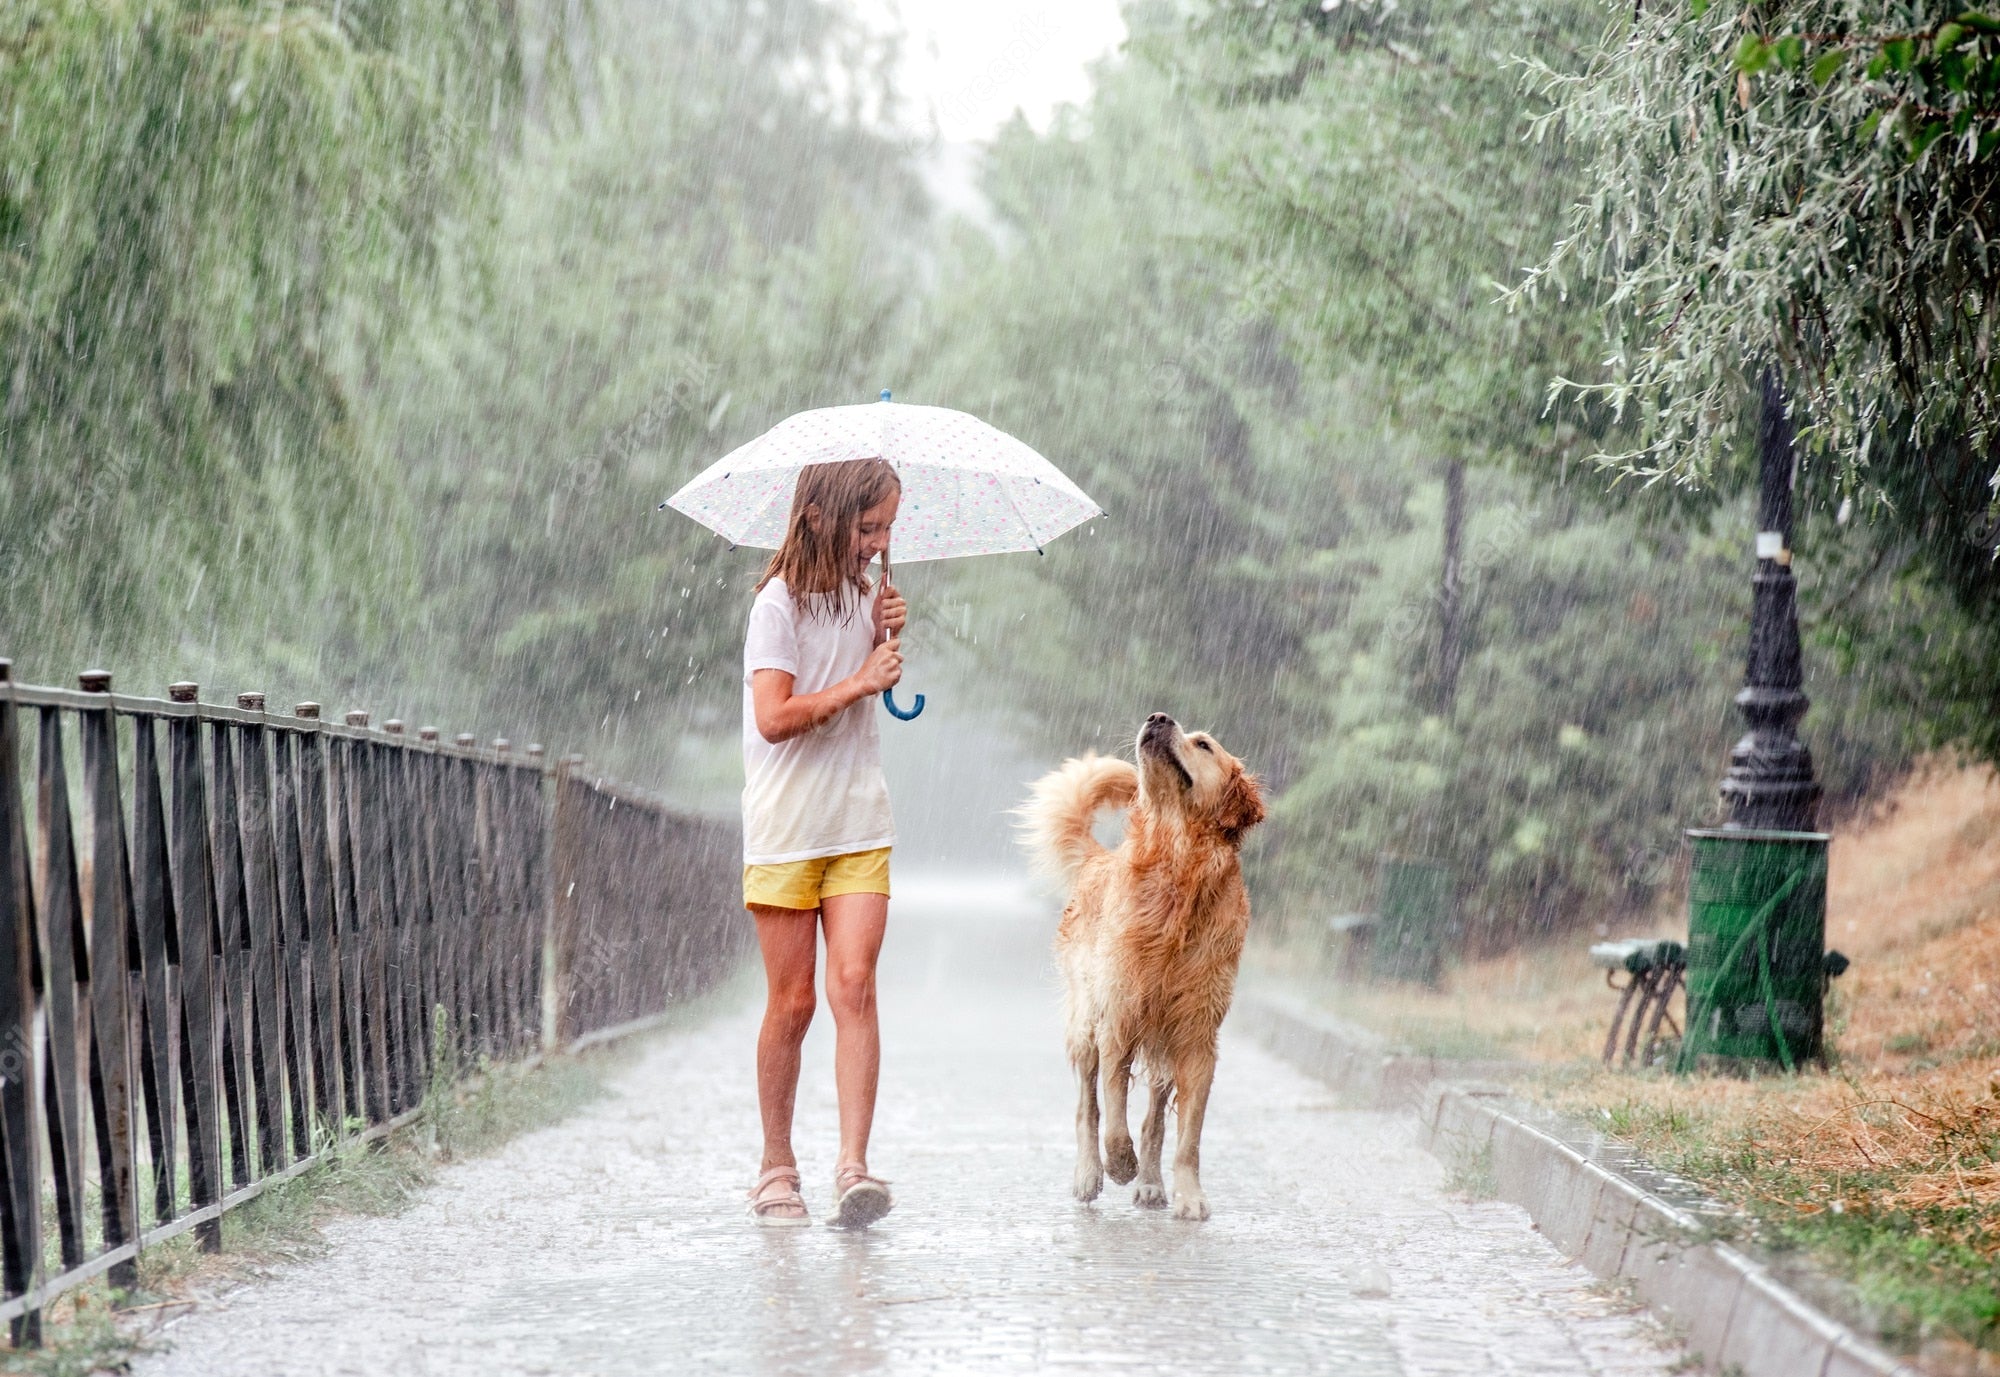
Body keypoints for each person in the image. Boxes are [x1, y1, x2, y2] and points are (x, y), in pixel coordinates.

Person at [740, 457, 906, 1228]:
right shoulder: (776, 605)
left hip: (857, 823)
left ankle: (853, 1166)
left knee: (854, 984)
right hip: (785, 829)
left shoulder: (867, 596)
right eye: (866, 527)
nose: (877, 543)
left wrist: (881, 638)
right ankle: (777, 1164)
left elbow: (870, 684)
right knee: (795, 1000)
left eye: (886, 529)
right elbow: (774, 717)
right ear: (820, 515)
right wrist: (859, 680)